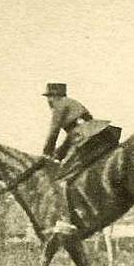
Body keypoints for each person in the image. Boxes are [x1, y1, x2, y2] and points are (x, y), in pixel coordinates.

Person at [41, 82, 95, 235]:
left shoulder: (60, 106)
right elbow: (72, 133)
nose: (48, 101)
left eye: (49, 97)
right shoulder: (71, 103)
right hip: (90, 132)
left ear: (55, 96)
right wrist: (60, 153)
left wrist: (46, 154)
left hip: (82, 136)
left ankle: (67, 219)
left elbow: (53, 133)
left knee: (62, 177)